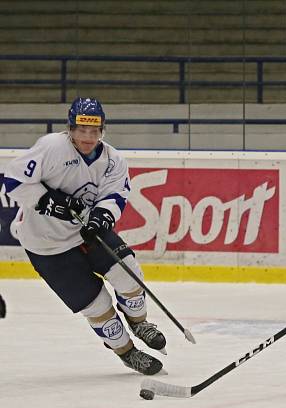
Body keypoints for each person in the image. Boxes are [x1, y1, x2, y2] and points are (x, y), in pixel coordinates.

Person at [0, 97, 166, 375]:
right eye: (81, 130)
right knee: (97, 304)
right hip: (46, 244)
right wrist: (48, 200)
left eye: (94, 131)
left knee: (128, 272)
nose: (87, 137)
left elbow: (116, 195)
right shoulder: (52, 147)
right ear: (71, 129)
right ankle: (127, 352)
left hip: (86, 232)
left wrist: (104, 215)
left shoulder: (113, 160)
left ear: (102, 130)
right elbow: (13, 181)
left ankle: (140, 323)